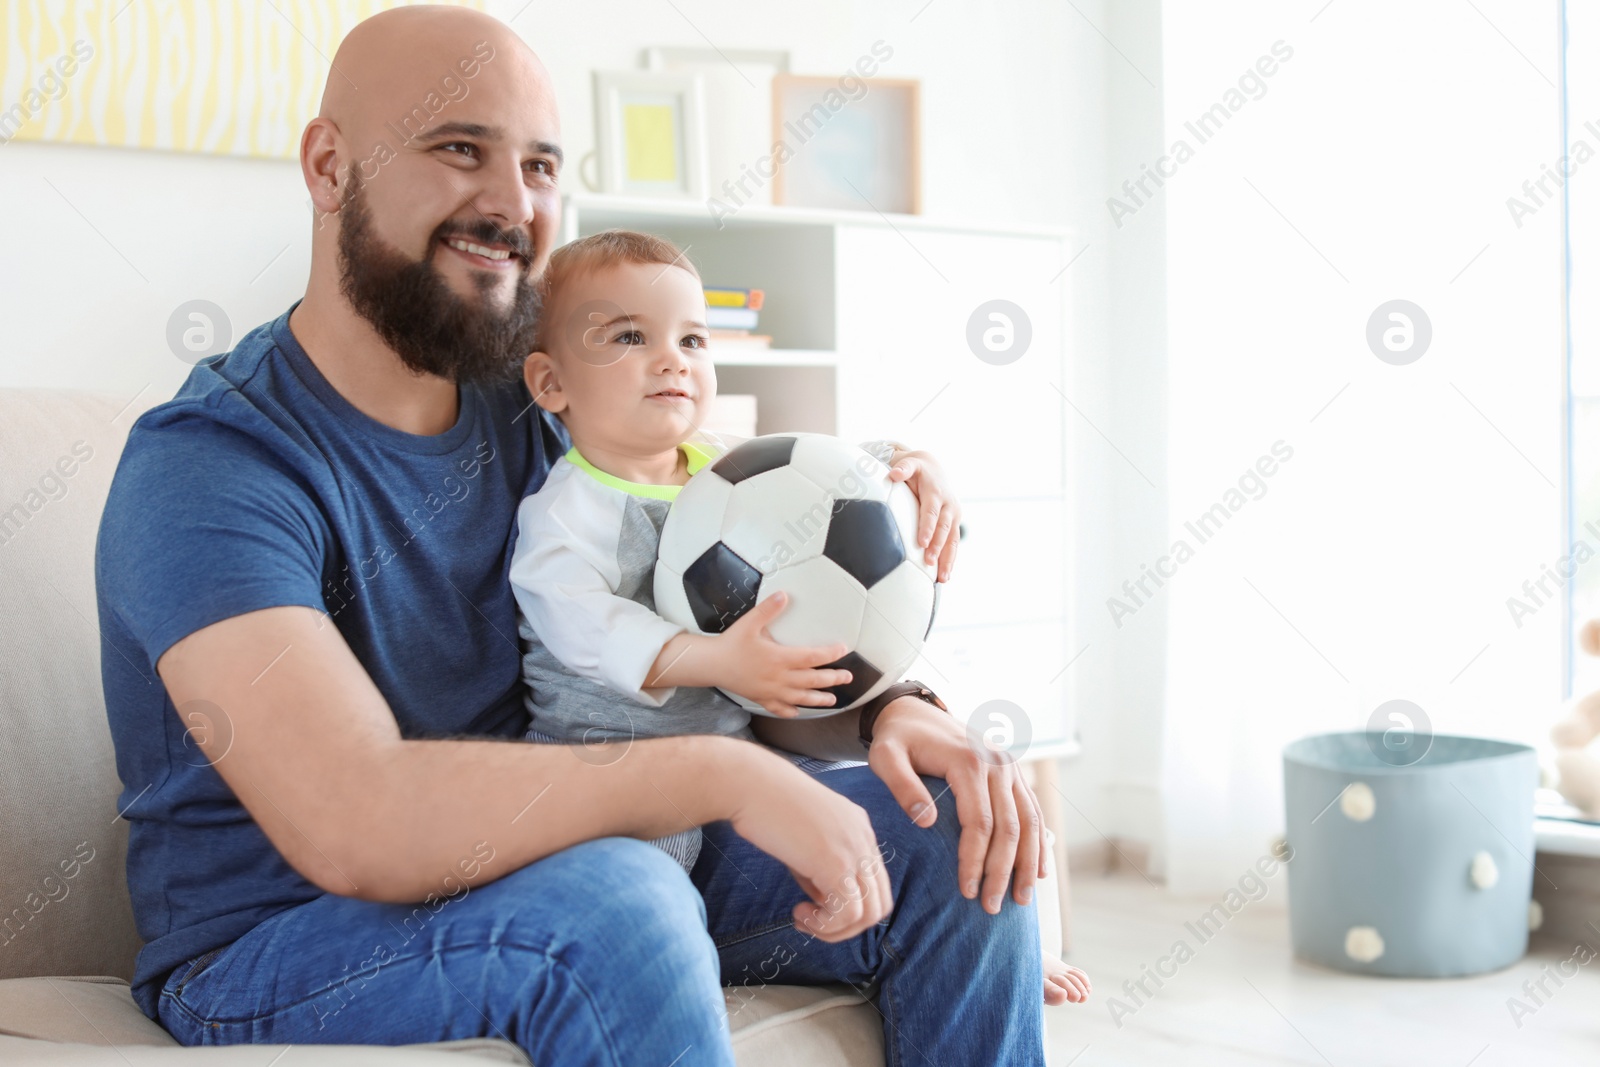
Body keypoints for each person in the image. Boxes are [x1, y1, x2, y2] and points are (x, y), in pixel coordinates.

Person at [95, 6, 1058, 1063]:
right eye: (459, 148)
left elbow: (747, 549)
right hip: (277, 943)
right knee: (621, 891)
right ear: (329, 166)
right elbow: (354, 815)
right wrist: (723, 775)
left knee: (944, 827)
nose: (513, 204)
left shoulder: (544, 403)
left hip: (560, 860)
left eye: (542, 165)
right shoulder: (211, 466)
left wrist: (889, 710)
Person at [508, 228, 1091, 1006]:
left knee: (928, 798)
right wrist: (712, 659)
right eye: (629, 337)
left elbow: (820, 472)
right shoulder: (566, 511)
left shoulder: (721, 467)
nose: (673, 358)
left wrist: (912, 462)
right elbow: (581, 622)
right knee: (652, 900)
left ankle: (995, 952)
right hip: (619, 790)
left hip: (743, 759)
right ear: (551, 383)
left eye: (692, 338)